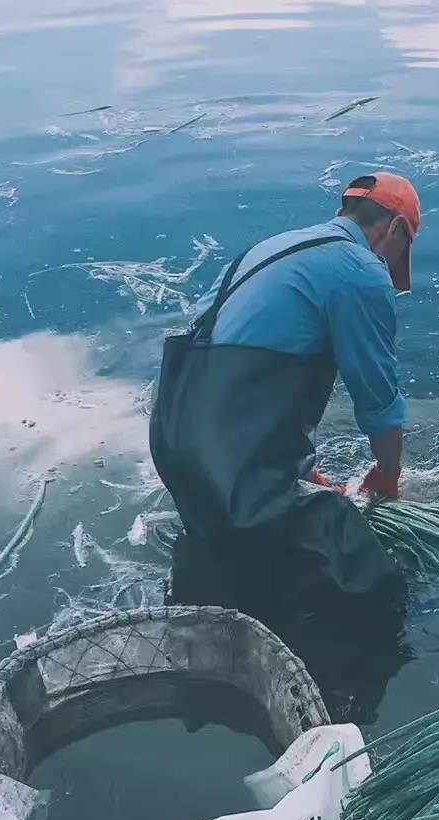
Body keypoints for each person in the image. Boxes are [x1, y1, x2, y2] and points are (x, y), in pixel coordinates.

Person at [150, 172, 421, 611]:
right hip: (232, 468)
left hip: (175, 442)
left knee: (244, 566)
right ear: (396, 229)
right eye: (402, 250)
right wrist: (387, 475)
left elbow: (234, 380)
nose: (391, 265)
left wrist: (299, 475)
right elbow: (377, 396)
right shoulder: (360, 270)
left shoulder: (269, 249)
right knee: (368, 579)